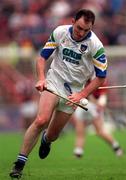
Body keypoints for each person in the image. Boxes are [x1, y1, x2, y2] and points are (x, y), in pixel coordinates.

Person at [9, 9, 107, 179]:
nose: (81, 33)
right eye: (79, 28)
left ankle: (46, 140)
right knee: (41, 120)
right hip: (55, 82)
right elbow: (41, 58)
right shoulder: (60, 32)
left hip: (74, 93)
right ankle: (19, 164)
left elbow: (100, 78)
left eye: (86, 30)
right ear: (73, 21)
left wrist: (82, 94)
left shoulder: (96, 46)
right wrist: (41, 79)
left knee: (53, 135)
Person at [73, 81, 124, 158]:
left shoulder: (101, 79)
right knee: (80, 131)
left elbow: (102, 94)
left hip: (93, 106)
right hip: (81, 104)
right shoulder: (87, 74)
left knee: (100, 131)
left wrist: (99, 104)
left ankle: (117, 147)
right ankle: (78, 153)